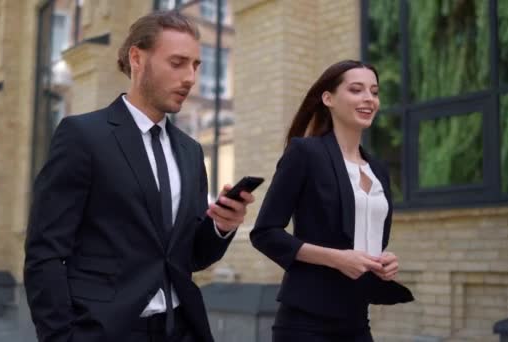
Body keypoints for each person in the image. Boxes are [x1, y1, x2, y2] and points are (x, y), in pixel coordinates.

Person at [24, 10, 254, 342]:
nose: (190, 77)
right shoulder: (84, 136)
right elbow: (44, 252)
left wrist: (221, 227)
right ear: (137, 58)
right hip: (107, 330)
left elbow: (186, 257)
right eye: (177, 63)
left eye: (195, 66)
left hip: (181, 328)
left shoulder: (190, 151)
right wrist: (61, 336)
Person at [250, 60, 414, 341]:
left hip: (357, 320)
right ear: (328, 98)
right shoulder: (305, 153)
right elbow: (265, 233)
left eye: (374, 92)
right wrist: (336, 259)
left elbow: (364, 238)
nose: (368, 99)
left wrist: (383, 262)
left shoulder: (378, 170)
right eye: (356, 90)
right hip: (305, 323)